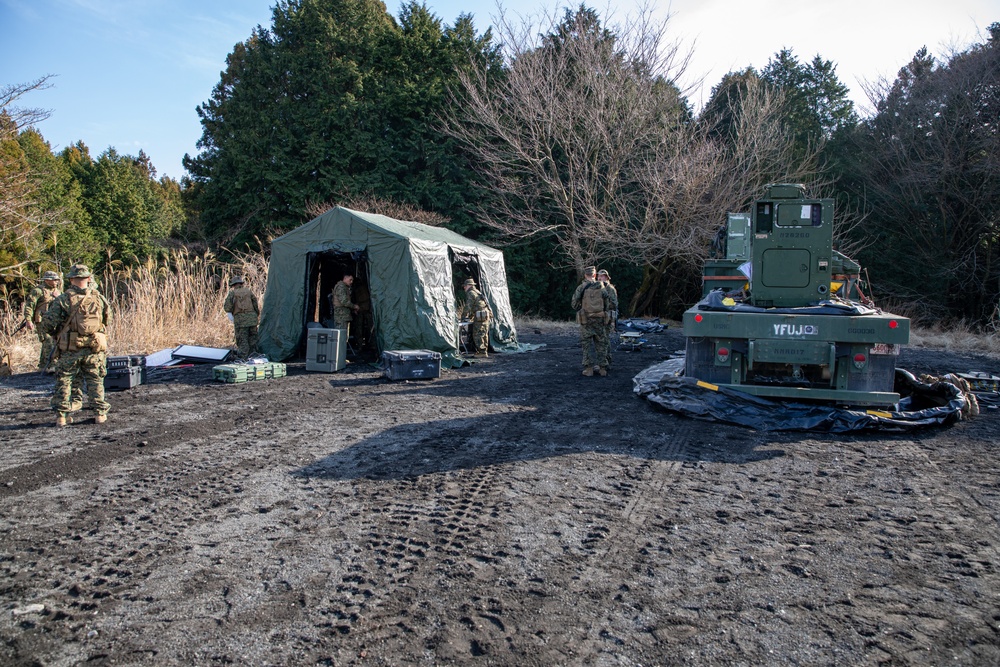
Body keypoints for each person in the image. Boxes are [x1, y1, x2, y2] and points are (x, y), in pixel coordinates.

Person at [40, 264, 112, 426]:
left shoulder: (63, 300)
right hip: (94, 348)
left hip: (70, 348)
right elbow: (108, 319)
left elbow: (47, 325)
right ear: (88, 279)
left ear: (71, 279)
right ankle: (99, 414)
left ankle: (61, 417)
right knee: (95, 380)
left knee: (64, 380)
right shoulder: (99, 298)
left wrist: (59, 333)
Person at [571, 265, 612, 377]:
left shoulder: (581, 287)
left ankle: (589, 369)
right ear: (594, 275)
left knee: (587, 345)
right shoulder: (602, 287)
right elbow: (607, 304)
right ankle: (602, 368)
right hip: (600, 319)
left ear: (585, 275)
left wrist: (582, 306)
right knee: (601, 343)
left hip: (586, 320)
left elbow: (574, 304)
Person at [22, 270, 62, 372]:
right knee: (48, 341)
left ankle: (42, 366)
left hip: (55, 321)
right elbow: (29, 306)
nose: (56, 282)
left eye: (57, 280)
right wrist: (28, 320)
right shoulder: (38, 291)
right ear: (48, 280)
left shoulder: (58, 291)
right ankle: (52, 365)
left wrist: (59, 297)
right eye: (54, 280)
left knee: (51, 342)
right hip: (42, 321)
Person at [223, 276, 260, 359]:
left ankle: (244, 358)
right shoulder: (248, 291)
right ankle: (254, 356)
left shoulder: (233, 293)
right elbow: (255, 305)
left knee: (242, 339)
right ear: (241, 283)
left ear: (233, 285)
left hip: (241, 320)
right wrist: (255, 315)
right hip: (252, 319)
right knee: (253, 338)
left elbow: (227, 307)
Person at [459, 278, 493, 356]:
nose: (464, 287)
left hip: (480, 316)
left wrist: (463, 317)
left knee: (477, 334)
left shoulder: (471, 293)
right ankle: (484, 350)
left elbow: (468, 306)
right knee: (483, 333)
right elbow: (477, 305)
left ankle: (482, 352)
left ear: (469, 285)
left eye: (465, 286)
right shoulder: (477, 292)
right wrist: (471, 316)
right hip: (485, 315)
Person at [597, 269, 619, 369]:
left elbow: (614, 304)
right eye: (598, 276)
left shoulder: (610, 288)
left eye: (601, 276)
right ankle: (606, 360)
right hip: (601, 316)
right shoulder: (600, 288)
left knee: (604, 339)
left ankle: (606, 361)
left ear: (606, 277)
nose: (599, 278)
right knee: (603, 339)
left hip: (607, 317)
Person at [331, 273, 360, 337]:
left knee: (342, 335)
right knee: (340, 336)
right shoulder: (341, 287)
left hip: (343, 315)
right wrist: (354, 306)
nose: (351, 282)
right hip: (341, 316)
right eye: (350, 280)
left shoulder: (344, 287)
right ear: (345, 278)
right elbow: (344, 301)